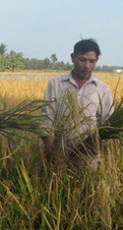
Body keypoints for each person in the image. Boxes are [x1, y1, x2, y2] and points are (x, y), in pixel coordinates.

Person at [41, 38, 114, 168]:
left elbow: (108, 122)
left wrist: (97, 144)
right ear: (73, 57)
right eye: (82, 60)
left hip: (89, 155)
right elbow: (47, 116)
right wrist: (48, 145)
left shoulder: (102, 88)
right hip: (59, 152)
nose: (87, 66)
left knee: (87, 186)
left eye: (92, 61)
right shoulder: (56, 84)